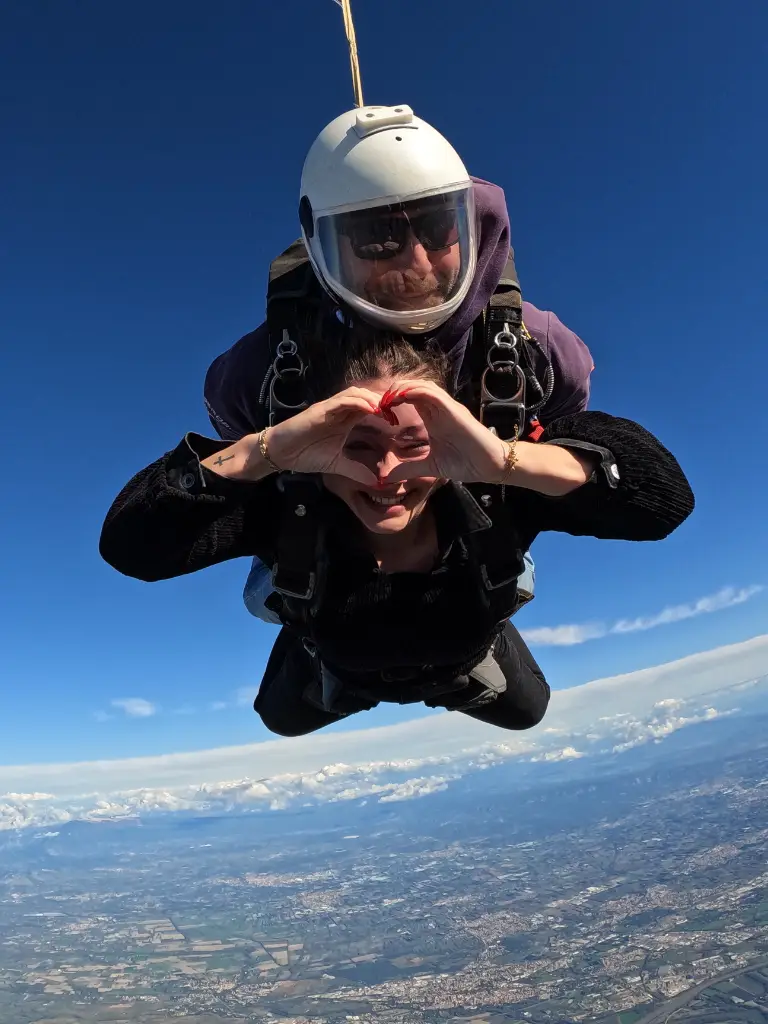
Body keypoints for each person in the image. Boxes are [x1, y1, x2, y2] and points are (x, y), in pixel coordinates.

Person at [100, 334, 695, 737]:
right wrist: (268, 450)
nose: (386, 475)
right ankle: (345, 676)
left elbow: (663, 500)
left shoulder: (488, 488)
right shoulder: (294, 501)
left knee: (528, 714)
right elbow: (133, 547)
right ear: (316, 450)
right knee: (278, 720)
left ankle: (438, 674)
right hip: (338, 664)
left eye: (417, 448)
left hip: (459, 658)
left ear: (455, 443)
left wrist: (507, 462)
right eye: (354, 449)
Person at [202, 104, 596, 625]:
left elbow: (570, 430)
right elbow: (233, 459)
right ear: (322, 240)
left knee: (506, 584)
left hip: (472, 527)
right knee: (273, 593)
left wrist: (500, 461)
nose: (416, 263)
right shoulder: (259, 372)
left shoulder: (538, 349)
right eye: (377, 236)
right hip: (328, 527)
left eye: (438, 229)